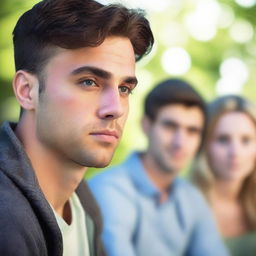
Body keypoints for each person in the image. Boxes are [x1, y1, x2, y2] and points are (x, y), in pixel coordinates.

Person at [0, 0, 154, 255]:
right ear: (27, 91)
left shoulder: (84, 205)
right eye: (89, 82)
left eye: (124, 88)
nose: (115, 108)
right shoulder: (6, 220)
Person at [89, 78, 229, 256]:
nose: (180, 142)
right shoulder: (110, 189)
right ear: (146, 125)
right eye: (170, 126)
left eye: (192, 131)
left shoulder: (191, 197)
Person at [191, 95, 256, 256]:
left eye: (246, 140)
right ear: (204, 145)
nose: (235, 152)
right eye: (223, 139)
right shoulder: (181, 203)